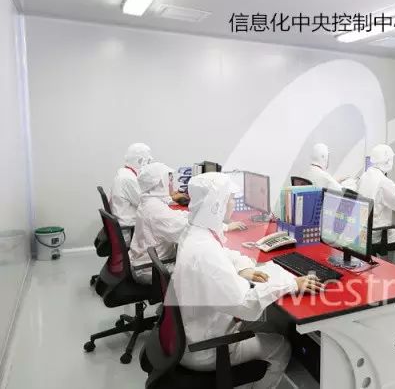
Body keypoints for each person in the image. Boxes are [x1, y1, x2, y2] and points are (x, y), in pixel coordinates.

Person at [172, 173, 323, 388]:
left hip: (194, 330)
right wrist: (291, 284)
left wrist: (245, 269)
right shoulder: (204, 252)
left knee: (274, 321)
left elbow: (224, 252)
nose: (233, 203)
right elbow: (246, 304)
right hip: (207, 347)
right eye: (230, 199)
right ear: (217, 205)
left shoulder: (195, 233)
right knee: (281, 346)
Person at [129, 162, 189, 284]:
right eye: (170, 179)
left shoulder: (149, 202)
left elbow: (173, 217)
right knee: (201, 274)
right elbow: (187, 232)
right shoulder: (156, 210)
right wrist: (223, 226)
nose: (171, 183)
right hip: (151, 269)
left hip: (144, 262)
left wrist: (187, 215)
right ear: (161, 183)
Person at [110, 143, 153, 228]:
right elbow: (145, 204)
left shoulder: (124, 173)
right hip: (130, 227)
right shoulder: (128, 178)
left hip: (127, 222)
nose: (148, 165)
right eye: (148, 161)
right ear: (140, 161)